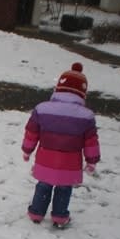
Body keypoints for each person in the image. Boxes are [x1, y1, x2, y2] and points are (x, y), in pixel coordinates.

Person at [21, 62, 100, 229]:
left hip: (45, 158)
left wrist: (27, 150)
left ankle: (36, 212)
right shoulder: (86, 116)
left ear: (58, 87)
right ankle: (59, 216)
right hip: (70, 162)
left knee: (43, 184)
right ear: (82, 92)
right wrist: (91, 160)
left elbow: (31, 132)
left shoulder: (42, 109)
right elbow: (90, 141)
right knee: (64, 188)